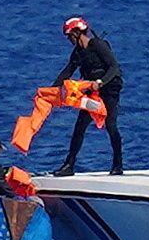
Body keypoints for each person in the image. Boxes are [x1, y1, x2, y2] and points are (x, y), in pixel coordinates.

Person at [52, 15, 124, 175]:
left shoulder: (97, 45)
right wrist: (52, 90)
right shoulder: (78, 52)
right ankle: (69, 165)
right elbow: (68, 70)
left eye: (70, 36)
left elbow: (114, 67)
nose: (69, 40)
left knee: (111, 125)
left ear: (77, 33)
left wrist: (100, 82)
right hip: (92, 94)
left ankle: (118, 165)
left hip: (109, 91)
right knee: (80, 125)